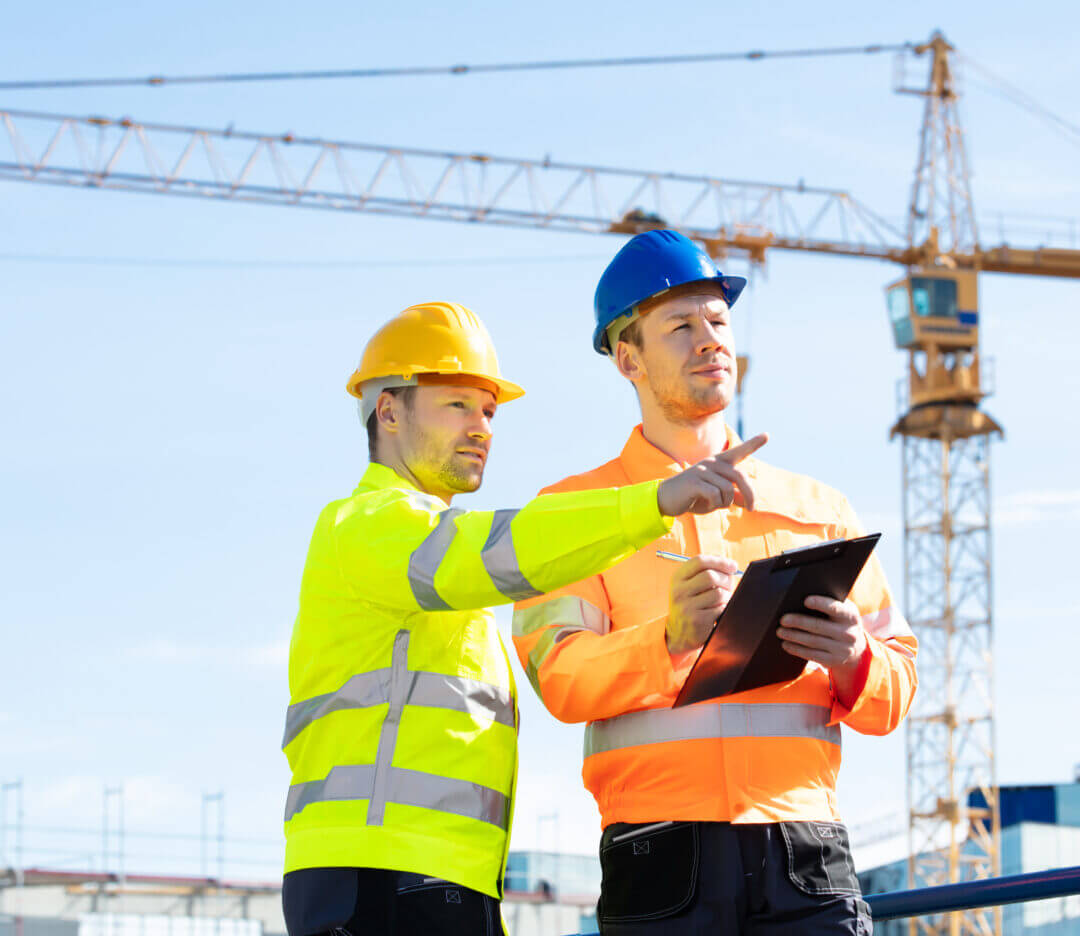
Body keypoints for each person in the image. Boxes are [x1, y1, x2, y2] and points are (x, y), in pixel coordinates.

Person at [280, 300, 767, 936]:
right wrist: (656, 499)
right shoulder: (364, 526)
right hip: (374, 878)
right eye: (457, 403)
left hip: (444, 879)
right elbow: (502, 550)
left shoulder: (435, 565)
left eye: (488, 410)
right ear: (389, 411)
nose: (482, 426)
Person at [513, 233, 917, 934]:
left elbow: (897, 690)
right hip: (661, 854)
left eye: (719, 322)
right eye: (682, 325)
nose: (711, 340)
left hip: (806, 852)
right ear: (627, 358)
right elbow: (560, 677)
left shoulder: (820, 510)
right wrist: (667, 640)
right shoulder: (570, 516)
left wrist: (854, 657)